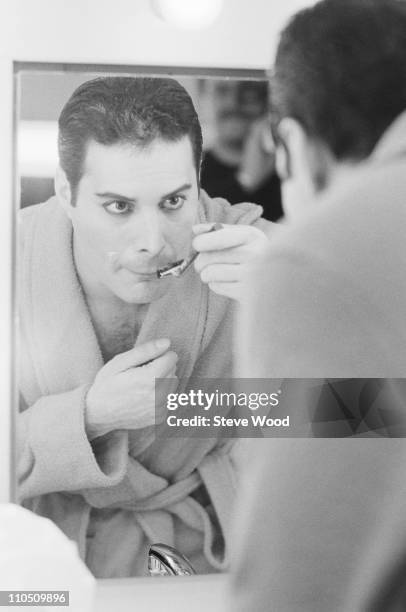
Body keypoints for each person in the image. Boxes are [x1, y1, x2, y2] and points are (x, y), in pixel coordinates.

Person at [17, 76, 272, 578]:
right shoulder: (12, 259)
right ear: (65, 191)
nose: (153, 241)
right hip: (42, 566)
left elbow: (369, 411)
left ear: (199, 177)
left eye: (175, 202)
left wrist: (297, 305)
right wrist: (87, 417)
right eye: (119, 206)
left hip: (212, 560)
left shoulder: (269, 258)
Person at [230, 0, 406, 610]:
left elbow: (304, 575)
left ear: (292, 143)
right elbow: (381, 414)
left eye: (173, 200)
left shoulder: (317, 255)